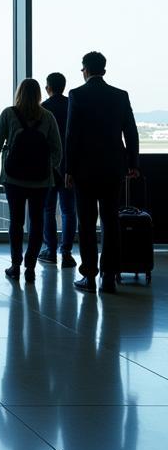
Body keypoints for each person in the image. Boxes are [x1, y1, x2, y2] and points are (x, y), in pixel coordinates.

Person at [64, 51, 140, 295]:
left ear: (84, 70)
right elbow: (131, 131)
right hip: (113, 168)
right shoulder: (120, 96)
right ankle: (108, 276)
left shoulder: (77, 95)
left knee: (86, 223)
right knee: (110, 221)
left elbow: (71, 136)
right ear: (104, 71)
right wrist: (133, 163)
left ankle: (89, 276)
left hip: (84, 170)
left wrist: (68, 169)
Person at [0, 78, 62, 283]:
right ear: (38, 94)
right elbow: (57, 149)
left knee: (16, 222)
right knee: (37, 222)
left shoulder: (9, 114)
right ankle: (30, 266)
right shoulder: (47, 117)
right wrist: (48, 166)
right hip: (40, 180)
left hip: (13, 178)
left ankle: (15, 265)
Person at [38, 72, 77, 269]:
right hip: (70, 166)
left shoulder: (43, 108)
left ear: (48, 88)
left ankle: (50, 250)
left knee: (48, 209)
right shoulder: (73, 104)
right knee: (69, 211)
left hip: (50, 166)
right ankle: (67, 252)